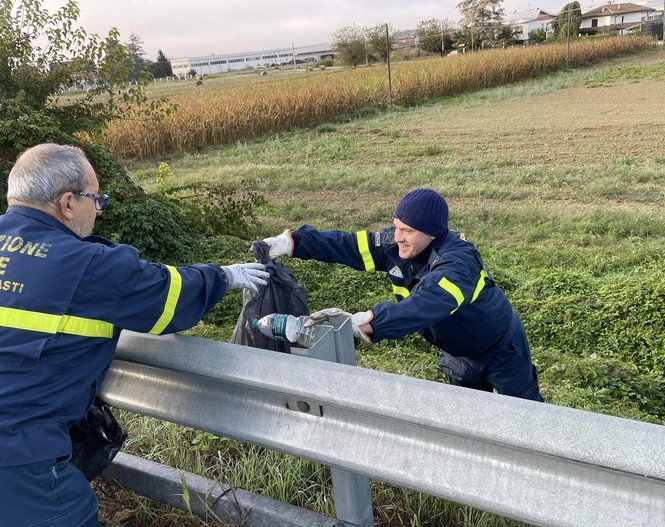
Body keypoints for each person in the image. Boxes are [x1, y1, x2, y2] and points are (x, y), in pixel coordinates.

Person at [0, 143, 269, 527]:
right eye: (95, 199)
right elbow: (168, 298)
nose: (98, 209)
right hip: (17, 459)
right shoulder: (88, 264)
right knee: (67, 513)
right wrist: (223, 276)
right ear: (67, 203)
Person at [262, 188, 543, 403]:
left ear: (432, 234)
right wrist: (294, 243)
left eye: (407, 230)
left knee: (523, 417)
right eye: (396, 226)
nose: (397, 237)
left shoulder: (458, 262)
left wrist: (369, 322)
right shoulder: (397, 245)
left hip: (500, 349)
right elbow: (349, 245)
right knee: (472, 417)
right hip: (457, 353)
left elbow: (425, 304)